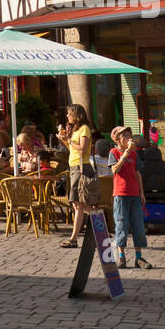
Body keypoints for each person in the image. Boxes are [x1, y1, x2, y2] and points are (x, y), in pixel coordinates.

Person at [109, 126, 150, 269]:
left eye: (129, 134)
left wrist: (142, 192)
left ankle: (139, 258)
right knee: (121, 225)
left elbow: (137, 173)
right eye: (125, 135)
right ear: (117, 139)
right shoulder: (113, 152)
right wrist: (124, 155)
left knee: (138, 226)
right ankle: (121, 256)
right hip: (120, 195)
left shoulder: (134, 154)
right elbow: (114, 169)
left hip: (134, 195)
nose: (128, 137)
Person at [59, 103, 93, 249]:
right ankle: (100, 225)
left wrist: (70, 140)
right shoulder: (76, 130)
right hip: (74, 166)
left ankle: (73, 238)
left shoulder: (84, 129)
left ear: (76, 115)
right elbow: (73, 149)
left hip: (81, 167)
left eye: (69, 113)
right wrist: (66, 140)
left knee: (78, 203)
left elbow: (82, 148)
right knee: (77, 203)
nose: (67, 116)